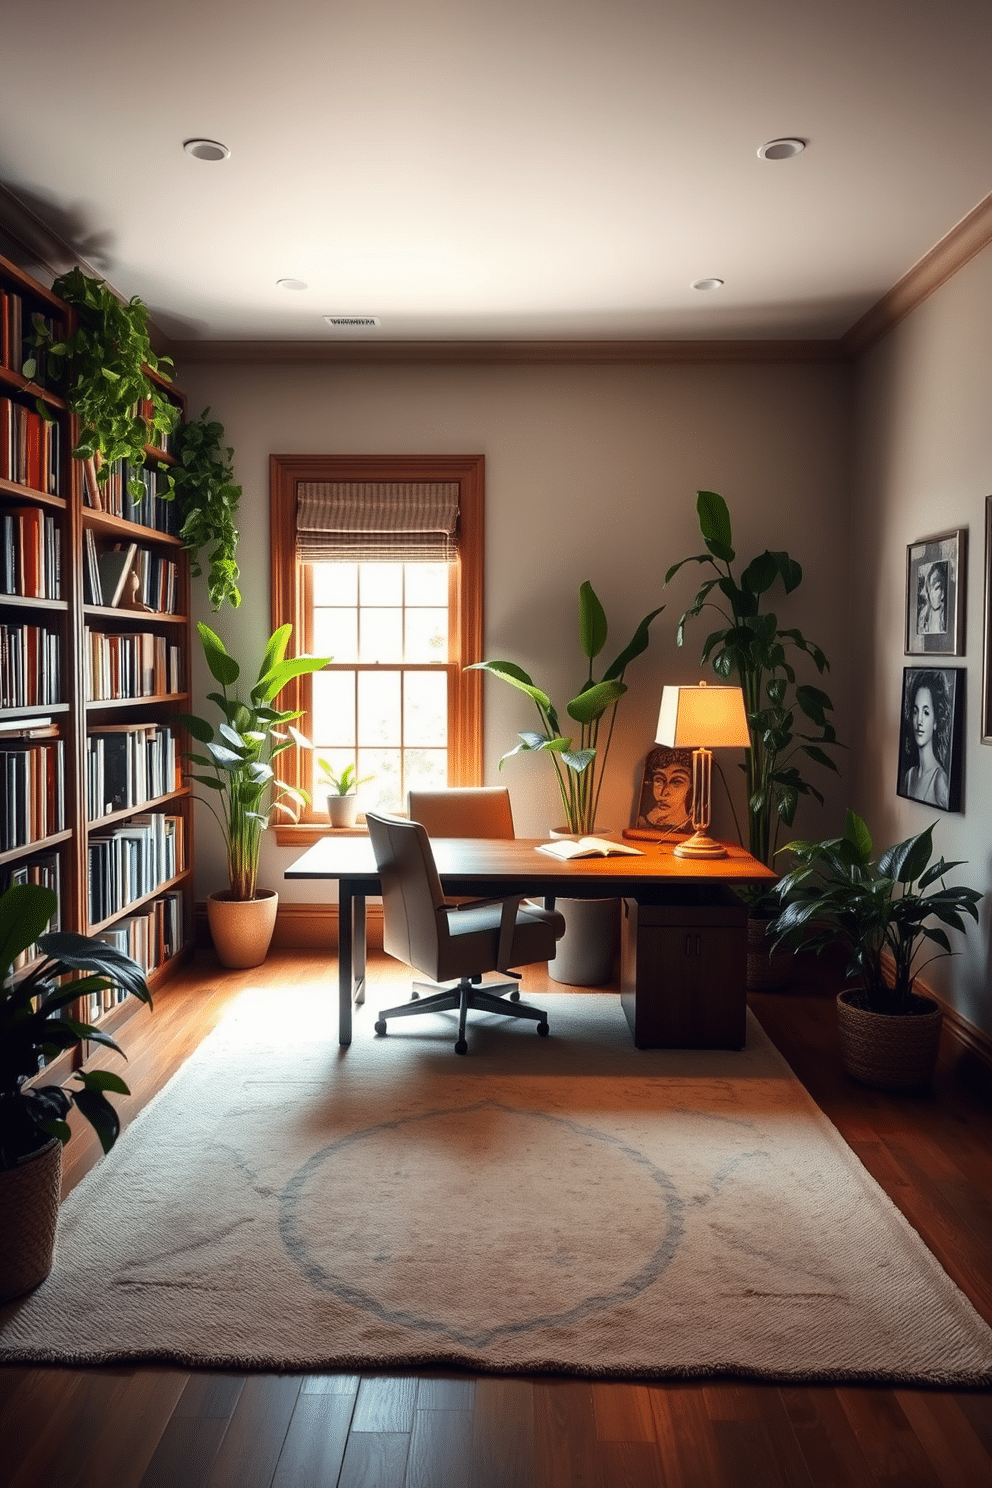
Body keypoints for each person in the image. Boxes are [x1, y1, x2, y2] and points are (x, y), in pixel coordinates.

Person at [901, 671, 950, 808]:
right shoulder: (909, 776)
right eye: (916, 712)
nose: (919, 721)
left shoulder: (940, 781)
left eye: (926, 712)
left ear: (936, 721)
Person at [636, 747, 694, 830]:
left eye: (676, 782)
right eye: (659, 780)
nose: (664, 793)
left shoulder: (692, 826)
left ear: (691, 786)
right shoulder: (643, 821)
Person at [918, 562, 947, 636]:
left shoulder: (947, 613)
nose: (942, 595)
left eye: (943, 588)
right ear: (928, 591)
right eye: (937, 588)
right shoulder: (923, 616)